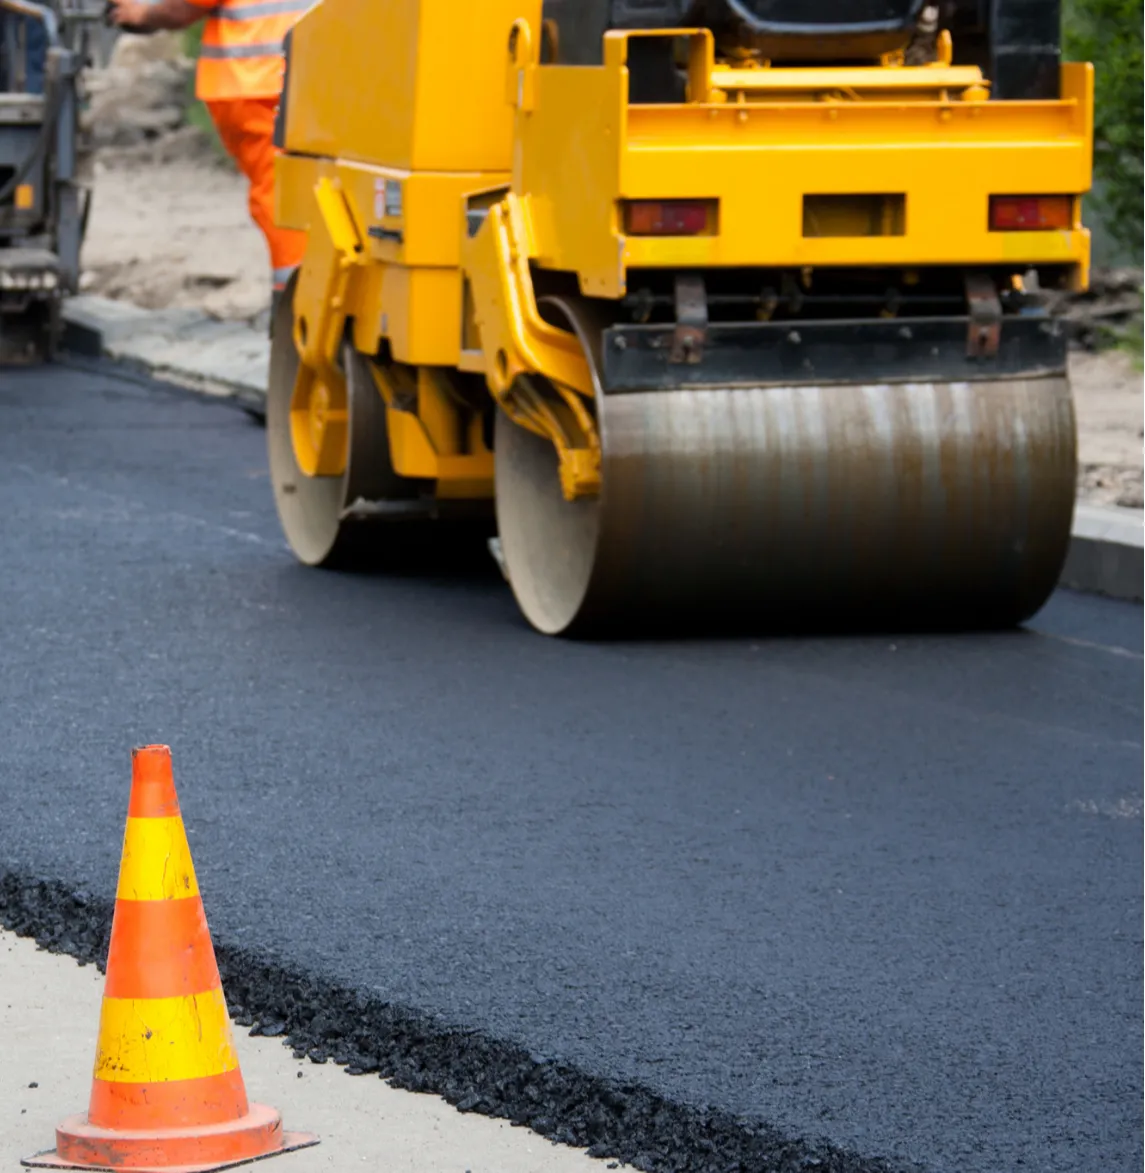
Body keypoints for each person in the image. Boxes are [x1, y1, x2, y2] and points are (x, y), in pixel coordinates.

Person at [105, 0, 310, 310]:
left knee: (282, 199)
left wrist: (140, 13)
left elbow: (184, 8)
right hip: (312, 74)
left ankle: (298, 312)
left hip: (256, 80)